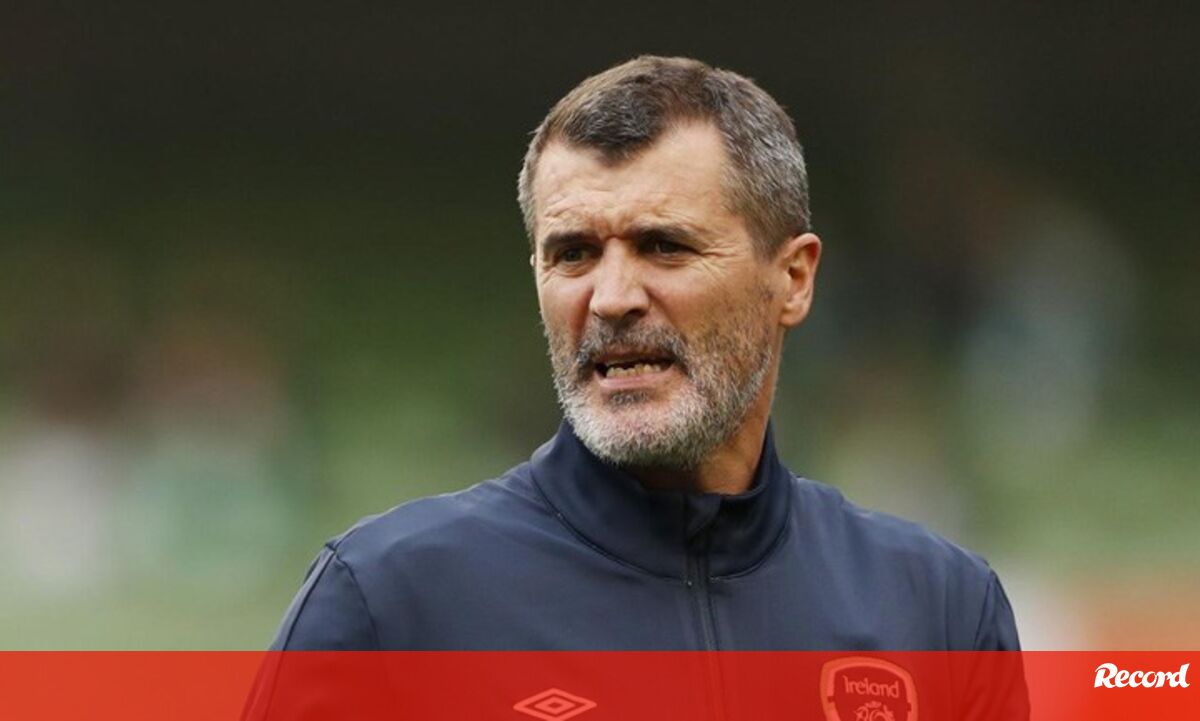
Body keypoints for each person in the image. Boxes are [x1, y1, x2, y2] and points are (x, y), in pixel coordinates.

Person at [269, 55, 1020, 651]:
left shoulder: (942, 611)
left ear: (792, 279)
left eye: (664, 246)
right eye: (573, 253)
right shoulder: (388, 603)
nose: (612, 297)